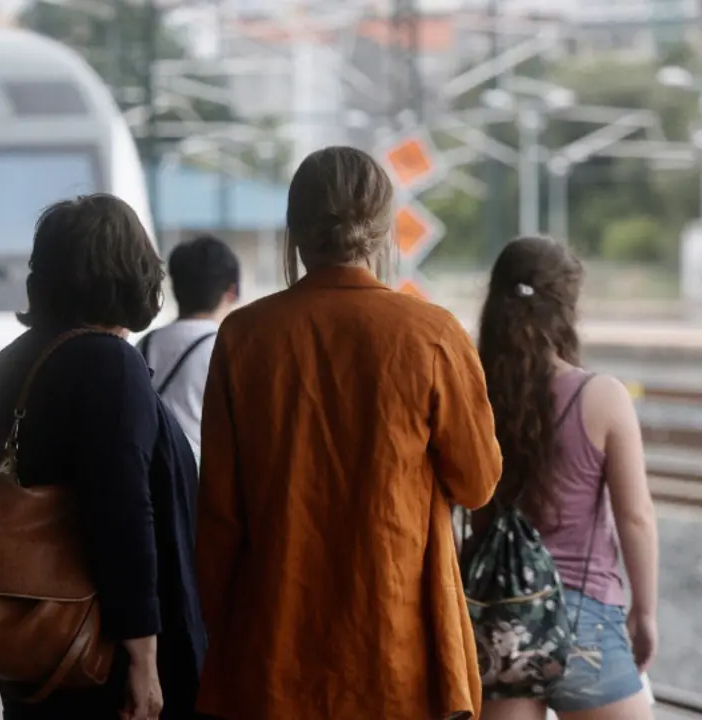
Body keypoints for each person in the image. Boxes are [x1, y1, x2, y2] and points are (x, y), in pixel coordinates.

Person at [194, 146, 503, 720]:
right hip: (396, 643)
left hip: (274, 645)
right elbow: (478, 484)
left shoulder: (244, 338)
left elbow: (219, 515)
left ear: (296, 230)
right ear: (384, 230)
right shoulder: (431, 334)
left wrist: (221, 630)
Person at [0, 193, 205, 720]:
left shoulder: (12, 363)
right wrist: (144, 657)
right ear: (130, 272)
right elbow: (123, 516)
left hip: (38, 636)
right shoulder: (108, 364)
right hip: (102, 652)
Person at [473, 237, 659, 720]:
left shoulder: (474, 395)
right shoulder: (600, 396)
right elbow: (635, 517)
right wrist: (645, 613)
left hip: (499, 624)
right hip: (583, 620)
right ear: (566, 309)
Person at [137, 235, 240, 462]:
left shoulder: (143, 345)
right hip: (197, 484)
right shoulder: (227, 349)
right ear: (231, 291)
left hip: (153, 480)